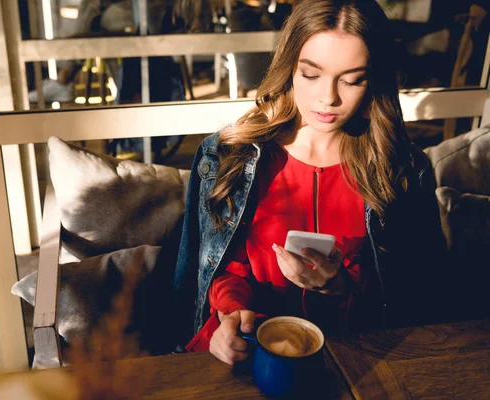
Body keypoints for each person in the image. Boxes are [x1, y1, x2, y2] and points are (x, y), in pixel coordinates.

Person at [172, 0, 448, 365]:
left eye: (352, 79)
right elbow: (218, 271)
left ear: (374, 80)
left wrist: (345, 287)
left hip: (362, 359)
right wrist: (231, 316)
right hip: (251, 352)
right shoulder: (228, 156)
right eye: (311, 74)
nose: (328, 97)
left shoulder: (404, 170)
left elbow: (424, 295)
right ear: (288, 68)